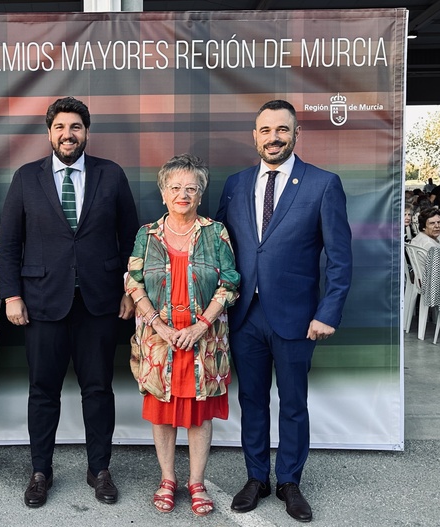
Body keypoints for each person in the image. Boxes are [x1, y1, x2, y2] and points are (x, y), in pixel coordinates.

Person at [0, 96, 139, 508]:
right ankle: (40, 471)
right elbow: (8, 246)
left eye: (75, 127)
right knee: (43, 391)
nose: (68, 134)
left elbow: (132, 239)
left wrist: (131, 291)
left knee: (98, 390)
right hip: (42, 304)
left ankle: (100, 470)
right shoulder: (27, 178)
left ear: (86, 132)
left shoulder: (110, 175)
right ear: (49, 132)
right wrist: (11, 296)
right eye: (60, 127)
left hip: (100, 304)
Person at [216, 100, 352, 523]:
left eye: (282, 130)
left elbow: (341, 258)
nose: (273, 137)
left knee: (293, 403)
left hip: (298, 317)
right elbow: (222, 250)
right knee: (252, 400)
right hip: (244, 318)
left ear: (296, 135)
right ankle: (256, 477)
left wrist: (328, 311)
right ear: (254, 136)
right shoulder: (236, 184)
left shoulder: (323, 184)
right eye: (265, 130)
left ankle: (289, 481)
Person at [125, 154, 240, 517]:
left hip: (202, 341)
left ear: (201, 194)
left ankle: (197, 482)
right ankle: (167, 479)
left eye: (191, 188)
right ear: (163, 193)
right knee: (162, 413)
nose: (183, 194)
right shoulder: (147, 234)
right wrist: (158, 326)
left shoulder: (215, 232)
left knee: (199, 415)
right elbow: (133, 281)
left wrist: (200, 325)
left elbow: (231, 283)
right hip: (160, 342)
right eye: (175, 187)